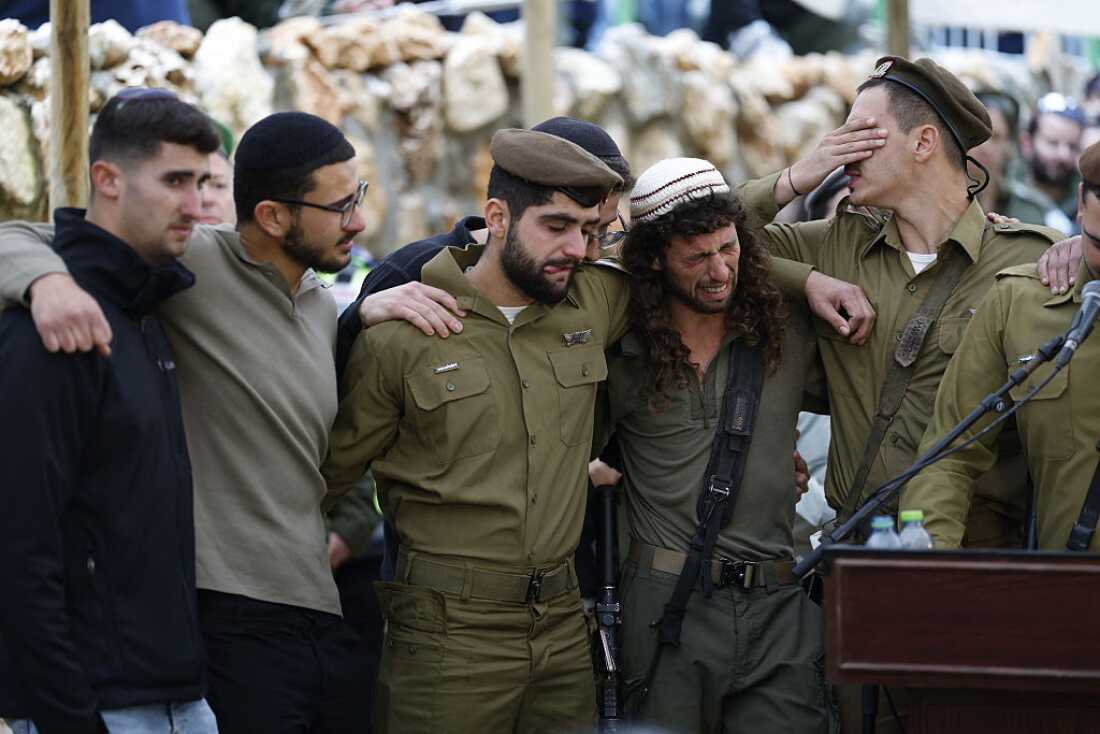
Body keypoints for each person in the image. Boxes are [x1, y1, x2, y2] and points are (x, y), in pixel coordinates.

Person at [0, 112, 433, 734]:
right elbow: (20, 235)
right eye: (341, 206)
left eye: (358, 196)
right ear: (274, 217)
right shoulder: (189, 265)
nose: (360, 221)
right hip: (224, 622)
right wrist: (46, 283)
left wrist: (362, 315)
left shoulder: (321, 303)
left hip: (318, 610)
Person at [320, 127, 632, 733]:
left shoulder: (595, 301)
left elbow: (699, 257)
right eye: (556, 225)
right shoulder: (404, 330)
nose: (578, 248)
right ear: (498, 216)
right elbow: (323, 481)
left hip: (565, 627)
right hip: (446, 637)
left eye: (589, 230)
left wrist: (802, 271)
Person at [739, 57, 1066, 552]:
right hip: (856, 554)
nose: (844, 150)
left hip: (979, 558)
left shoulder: (1033, 259)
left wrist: (1080, 255)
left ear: (923, 142)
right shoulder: (837, 246)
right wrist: (804, 258)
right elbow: (694, 239)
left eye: (864, 133)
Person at [0, 88, 219, 734]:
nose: (196, 204)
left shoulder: (148, 310)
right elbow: (18, 546)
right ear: (107, 179)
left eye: (204, 181)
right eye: (176, 180)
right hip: (99, 707)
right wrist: (70, 719)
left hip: (181, 697)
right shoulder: (58, 327)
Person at [599, 157, 835, 733]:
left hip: (778, 603)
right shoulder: (620, 346)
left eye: (728, 249)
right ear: (654, 261)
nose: (718, 271)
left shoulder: (784, 331)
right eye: (696, 257)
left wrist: (807, 279)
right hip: (666, 605)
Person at [902, 141, 1100, 550]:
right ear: (1081, 203)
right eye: (1099, 244)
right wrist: (929, 562)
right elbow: (950, 455)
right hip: (1068, 592)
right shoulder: (1020, 301)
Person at [1010, 92, 1086, 234]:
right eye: (1053, 143)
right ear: (1026, 143)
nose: (1063, 155)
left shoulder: (1088, 201)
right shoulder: (1005, 193)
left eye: (1072, 146)